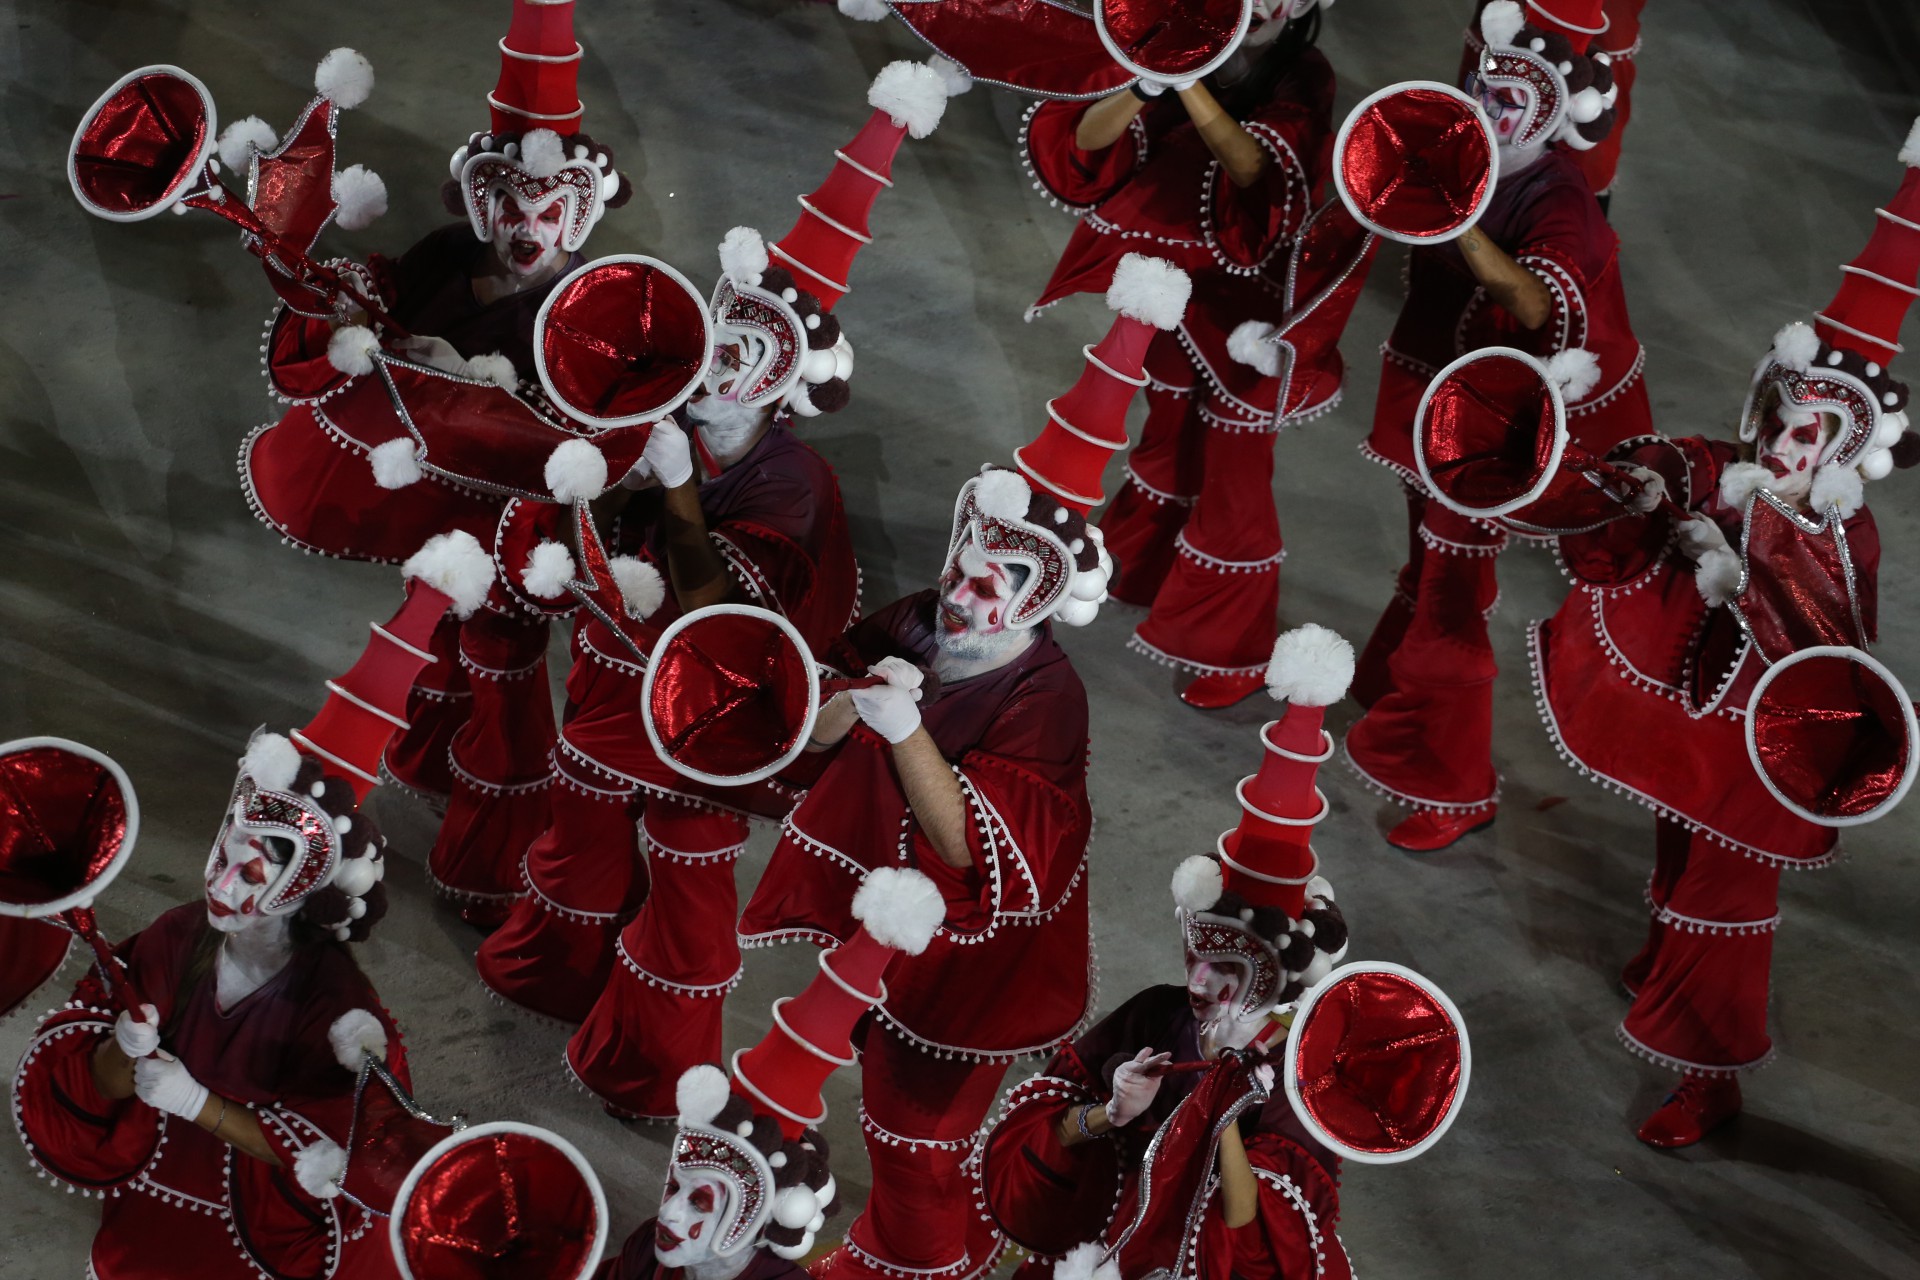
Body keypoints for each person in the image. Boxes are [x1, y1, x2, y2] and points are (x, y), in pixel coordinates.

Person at [473, 61, 946, 1025]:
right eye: (716, 339)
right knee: (583, 826)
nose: (715, 367)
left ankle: (656, 1051)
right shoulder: (664, 406)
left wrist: (677, 482)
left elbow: (716, 619)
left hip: (712, 716)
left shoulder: (795, 486)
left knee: (688, 863)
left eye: (747, 353)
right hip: (616, 678)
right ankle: (552, 972)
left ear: (784, 382)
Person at [1532, 122, 1920, 1146]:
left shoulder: (1845, 532)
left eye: (1808, 434)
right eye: (1780, 419)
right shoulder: (1739, 470)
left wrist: (1739, 572)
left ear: (1843, 450)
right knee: (1677, 851)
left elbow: (1824, 635)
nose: (1784, 443)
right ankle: (1667, 961)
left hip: (1765, 753)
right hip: (1702, 730)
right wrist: (1635, 475)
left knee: (1725, 902)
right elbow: (1674, 464)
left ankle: (1709, 1076)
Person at [233, 3, 635, 922]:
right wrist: (348, 302)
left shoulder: (592, 308)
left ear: (581, 209)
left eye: (549, 210)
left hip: (517, 534)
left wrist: (467, 385)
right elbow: (388, 304)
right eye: (510, 207)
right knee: (440, 637)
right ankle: (429, 751)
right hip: (435, 509)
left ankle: (492, 864)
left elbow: (585, 441)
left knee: (501, 668)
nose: (527, 228)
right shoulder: (452, 253)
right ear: (480, 200)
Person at [11, 538, 495, 1279]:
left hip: (244, 1241)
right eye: (223, 849)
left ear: (309, 890)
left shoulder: (340, 1008)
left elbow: (338, 1148)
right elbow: (94, 1082)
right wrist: (120, 1050)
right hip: (146, 1226)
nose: (222, 882)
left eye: (254, 870)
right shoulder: (176, 935)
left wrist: (198, 1105)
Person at [975, 625, 1469, 1278]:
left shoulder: (1302, 1074)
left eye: (1228, 968)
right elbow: (1047, 1133)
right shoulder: (1158, 1014)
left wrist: (1220, 1105)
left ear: (1277, 976)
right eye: (1196, 955)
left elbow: (1250, 1230)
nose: (1201, 981)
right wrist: (1109, 1114)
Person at [1344, 0, 1651, 851]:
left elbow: (1539, 300)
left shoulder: (1561, 196)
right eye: (1484, 87)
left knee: (1455, 589)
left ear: (1550, 115)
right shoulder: (1465, 149)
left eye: (1511, 101)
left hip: (1493, 430)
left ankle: (1455, 786)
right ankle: (1397, 692)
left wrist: (1461, 222)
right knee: (1428, 556)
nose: (1487, 106)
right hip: (1431, 391)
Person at [1020, 0, 1374, 708]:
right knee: (1167, 433)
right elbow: (1086, 143)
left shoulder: (1304, 71)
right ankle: (1145, 564)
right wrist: (1145, 82)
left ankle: (1235, 650)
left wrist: (1188, 80)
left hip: (1256, 308)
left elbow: (1257, 170)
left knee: (1236, 476)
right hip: (1176, 283)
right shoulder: (1177, 39)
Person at [595, 867, 944, 1280]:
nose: (668, 1213)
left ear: (748, 1221)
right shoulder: (647, 1249)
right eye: (674, 1187)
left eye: (699, 1202)